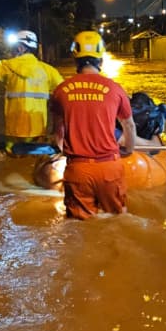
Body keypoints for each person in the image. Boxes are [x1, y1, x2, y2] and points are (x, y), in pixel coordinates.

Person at [50, 30, 136, 220]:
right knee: (119, 219)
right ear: (101, 60)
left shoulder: (60, 91)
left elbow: (58, 133)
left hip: (78, 170)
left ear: (75, 58)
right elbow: (129, 126)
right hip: (110, 168)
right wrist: (128, 150)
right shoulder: (115, 89)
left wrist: (63, 150)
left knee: (79, 229)